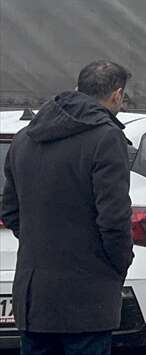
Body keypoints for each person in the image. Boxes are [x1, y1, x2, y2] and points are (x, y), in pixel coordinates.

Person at [0, 61, 134, 355]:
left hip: (33, 298)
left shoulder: (24, 138)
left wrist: (41, 244)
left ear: (77, 88)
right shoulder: (106, 137)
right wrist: (118, 265)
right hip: (87, 300)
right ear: (117, 95)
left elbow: (9, 209)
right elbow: (114, 218)